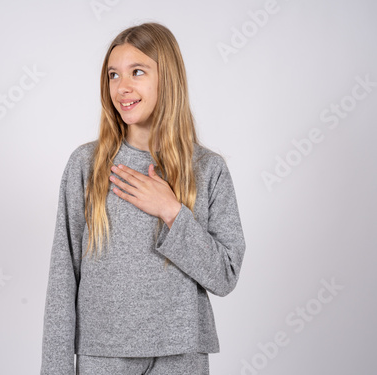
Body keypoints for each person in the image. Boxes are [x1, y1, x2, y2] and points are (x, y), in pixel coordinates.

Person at [40, 22, 246, 375]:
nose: (123, 87)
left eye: (138, 72)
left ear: (168, 78)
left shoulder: (208, 169)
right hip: (102, 354)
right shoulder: (86, 165)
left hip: (181, 354)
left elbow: (224, 275)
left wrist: (171, 211)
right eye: (113, 75)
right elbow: (63, 276)